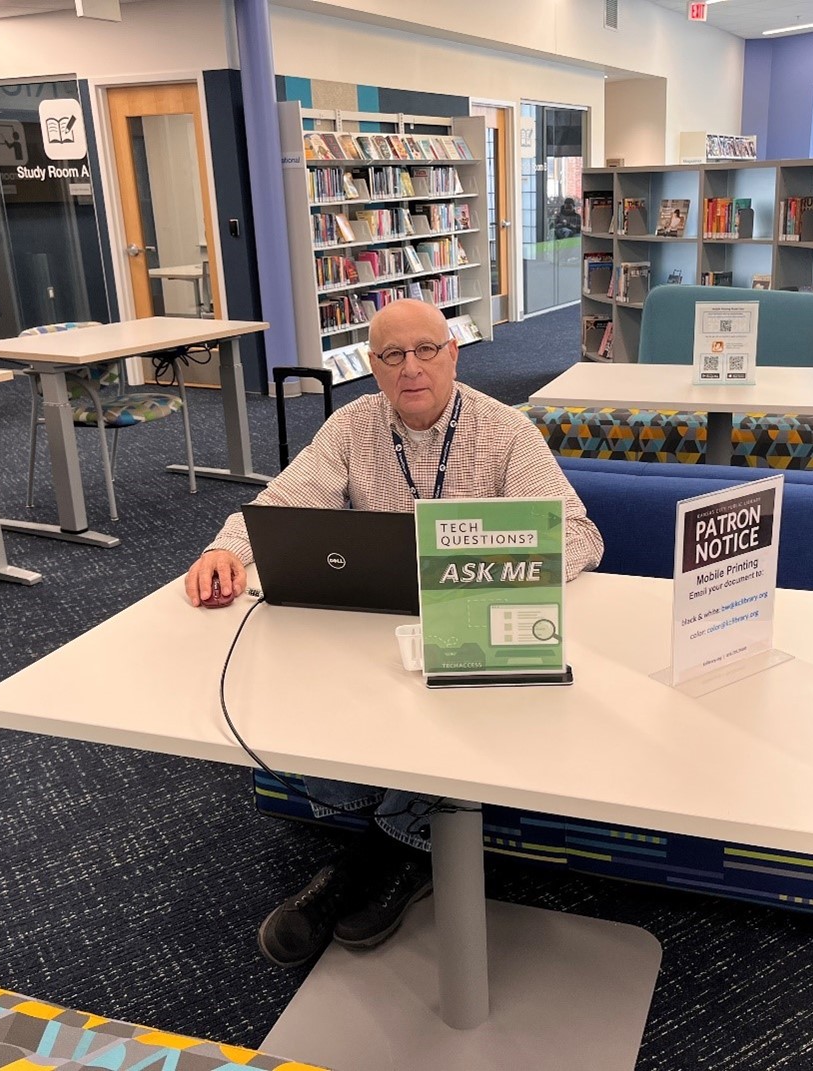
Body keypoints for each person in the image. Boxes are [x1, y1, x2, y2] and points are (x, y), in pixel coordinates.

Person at [186, 298, 604, 968]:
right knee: (301, 670)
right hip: (378, 629)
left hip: (475, 627)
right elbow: (283, 504)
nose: (411, 368)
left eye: (426, 350)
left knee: (449, 702)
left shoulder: (505, 431)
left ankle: (381, 858)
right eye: (391, 356)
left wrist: (488, 562)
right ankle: (398, 843)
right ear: (372, 367)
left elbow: (581, 534)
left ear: (453, 354)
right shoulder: (351, 427)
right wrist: (227, 549)